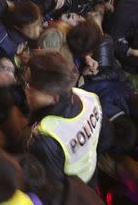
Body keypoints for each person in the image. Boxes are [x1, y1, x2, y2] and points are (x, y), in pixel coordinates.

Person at [25, 49, 113, 184]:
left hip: (73, 187)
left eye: (31, 86)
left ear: (54, 98)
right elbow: (106, 138)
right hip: (91, 172)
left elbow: (53, 184)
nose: (26, 90)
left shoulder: (45, 137)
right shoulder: (88, 97)